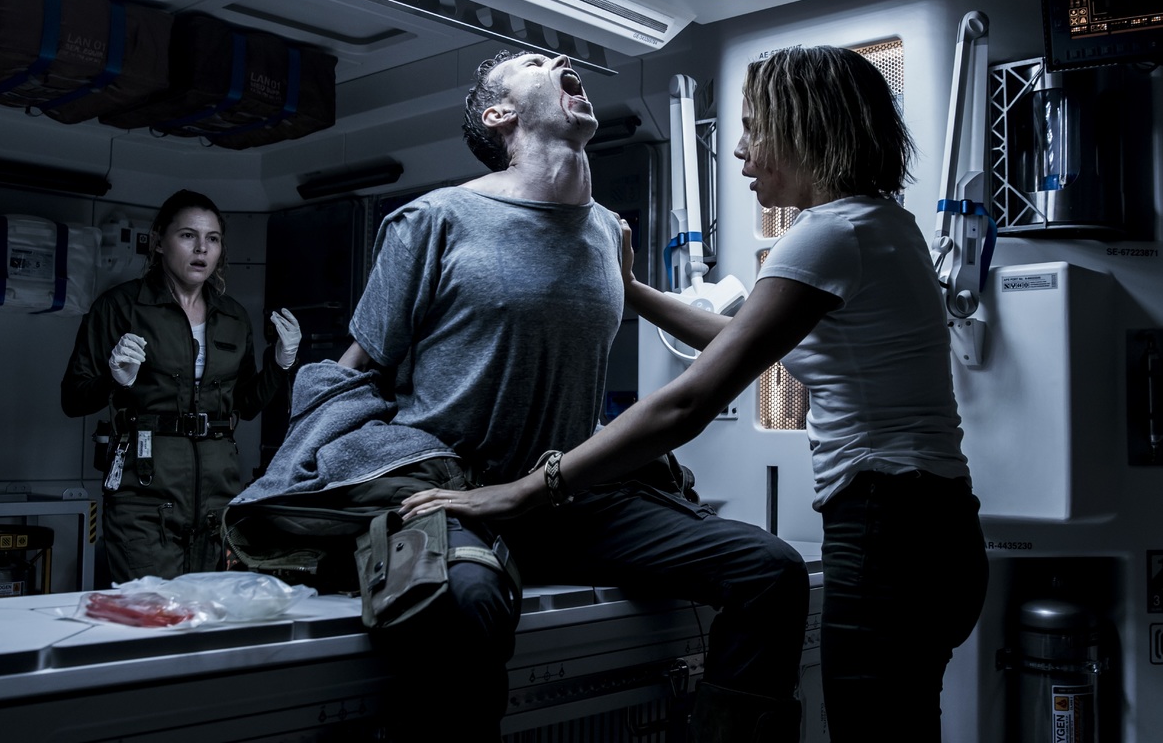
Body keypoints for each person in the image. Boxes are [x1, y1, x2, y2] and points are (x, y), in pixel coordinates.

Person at [403, 45, 990, 743]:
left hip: (888, 528)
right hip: (936, 527)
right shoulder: (878, 222)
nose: (740, 150)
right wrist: (630, 290)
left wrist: (529, 489)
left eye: (754, 128)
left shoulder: (828, 234)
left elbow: (688, 404)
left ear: (802, 127)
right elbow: (737, 336)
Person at [234, 50, 810, 742]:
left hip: (565, 493)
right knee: (469, 602)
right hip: (451, 496)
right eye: (535, 62)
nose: (561, 59)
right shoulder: (432, 220)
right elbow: (356, 374)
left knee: (770, 570)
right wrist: (327, 488)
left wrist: (634, 291)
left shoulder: (608, 232)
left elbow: (730, 350)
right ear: (498, 114)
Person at [61, 189, 301, 584]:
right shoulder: (120, 307)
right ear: (158, 242)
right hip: (143, 496)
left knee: (206, 612)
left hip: (216, 498)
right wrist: (114, 379)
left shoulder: (232, 317)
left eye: (213, 238)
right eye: (188, 235)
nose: (201, 249)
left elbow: (246, 404)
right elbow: (73, 398)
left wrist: (280, 362)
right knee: (153, 611)